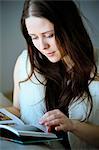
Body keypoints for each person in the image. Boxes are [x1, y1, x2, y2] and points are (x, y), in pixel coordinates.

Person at [7, 0, 99, 149]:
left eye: (49, 35)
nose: (42, 46)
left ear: (70, 28)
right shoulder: (25, 62)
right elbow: (17, 109)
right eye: (34, 37)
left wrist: (73, 125)